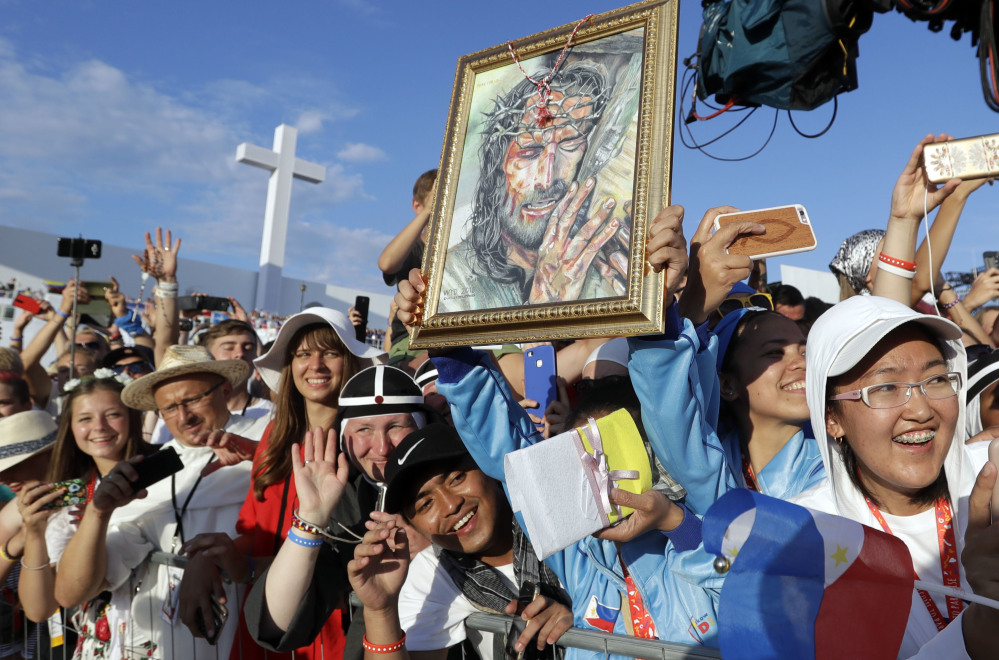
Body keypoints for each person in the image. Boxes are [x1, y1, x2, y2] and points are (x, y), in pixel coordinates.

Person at [796, 293, 993, 658]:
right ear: (831, 419)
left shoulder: (993, 479)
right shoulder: (807, 541)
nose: (920, 409)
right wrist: (980, 631)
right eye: (885, 388)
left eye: (936, 379)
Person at [179, 307, 383, 660]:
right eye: (303, 354)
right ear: (290, 366)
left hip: (323, 633)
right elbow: (255, 533)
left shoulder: (364, 445)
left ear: (350, 362)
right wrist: (207, 557)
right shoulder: (275, 439)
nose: (315, 365)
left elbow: (346, 564)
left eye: (330, 352)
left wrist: (251, 567)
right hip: (262, 630)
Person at [53, 345, 269, 660]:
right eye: (169, 408)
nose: (184, 417)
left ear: (225, 389)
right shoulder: (155, 470)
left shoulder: (269, 440)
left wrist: (211, 557)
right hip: (181, 645)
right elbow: (73, 591)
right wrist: (99, 514)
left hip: (260, 633)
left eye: (193, 399)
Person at [626, 206, 822, 516]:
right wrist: (675, 300)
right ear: (727, 384)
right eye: (774, 352)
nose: (800, 363)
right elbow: (679, 425)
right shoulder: (717, 464)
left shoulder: (839, 466)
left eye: (805, 350)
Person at [239, 363, 443, 658]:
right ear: (344, 438)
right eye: (364, 429)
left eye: (397, 426)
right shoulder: (349, 503)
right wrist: (311, 517)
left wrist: (436, 551)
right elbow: (275, 623)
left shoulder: (455, 484)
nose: (382, 447)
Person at [352, 423, 575, 660]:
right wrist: (381, 610)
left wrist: (582, 623)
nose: (450, 504)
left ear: (486, 466)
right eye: (425, 504)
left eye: (457, 478)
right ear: (413, 525)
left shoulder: (565, 517)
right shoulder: (433, 572)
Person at [440, 61, 625, 311]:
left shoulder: (604, 273)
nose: (546, 179)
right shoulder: (452, 280)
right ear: (497, 166)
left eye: (570, 145)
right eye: (529, 151)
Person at [16, 372, 155, 660]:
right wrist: (34, 531)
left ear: (132, 417)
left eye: (113, 414)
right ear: (70, 427)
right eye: (85, 419)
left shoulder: (163, 476)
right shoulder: (70, 493)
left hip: (161, 639)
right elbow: (39, 609)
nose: (99, 427)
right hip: (99, 646)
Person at [379, 169, 437, 364]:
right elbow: (386, 263)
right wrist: (428, 211)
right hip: (410, 338)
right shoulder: (412, 249)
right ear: (417, 205)